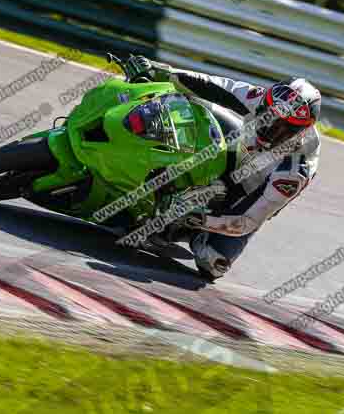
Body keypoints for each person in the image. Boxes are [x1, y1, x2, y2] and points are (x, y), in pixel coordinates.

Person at [123, 56, 322, 280]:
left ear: (302, 131)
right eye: (267, 118)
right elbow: (211, 84)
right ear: (265, 103)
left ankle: (191, 229)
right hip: (236, 153)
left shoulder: (295, 170)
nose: (269, 131)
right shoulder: (258, 98)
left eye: (282, 129)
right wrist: (162, 71)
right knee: (192, 101)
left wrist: (198, 220)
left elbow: (248, 220)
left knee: (212, 261)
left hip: (250, 194)